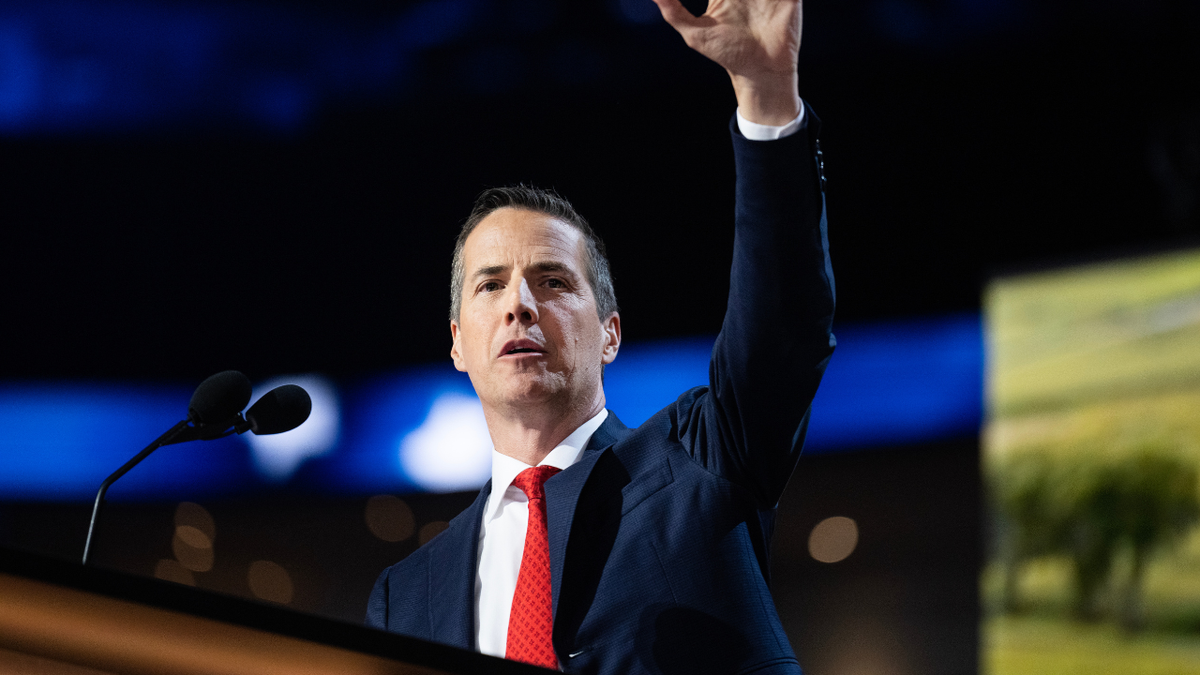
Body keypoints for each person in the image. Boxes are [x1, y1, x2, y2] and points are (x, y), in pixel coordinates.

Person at [366, 0, 835, 672]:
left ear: (610, 332)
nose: (520, 305)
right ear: (457, 342)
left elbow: (781, 328)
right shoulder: (402, 596)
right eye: (490, 284)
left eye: (553, 281)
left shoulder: (701, 458)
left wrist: (766, 97)